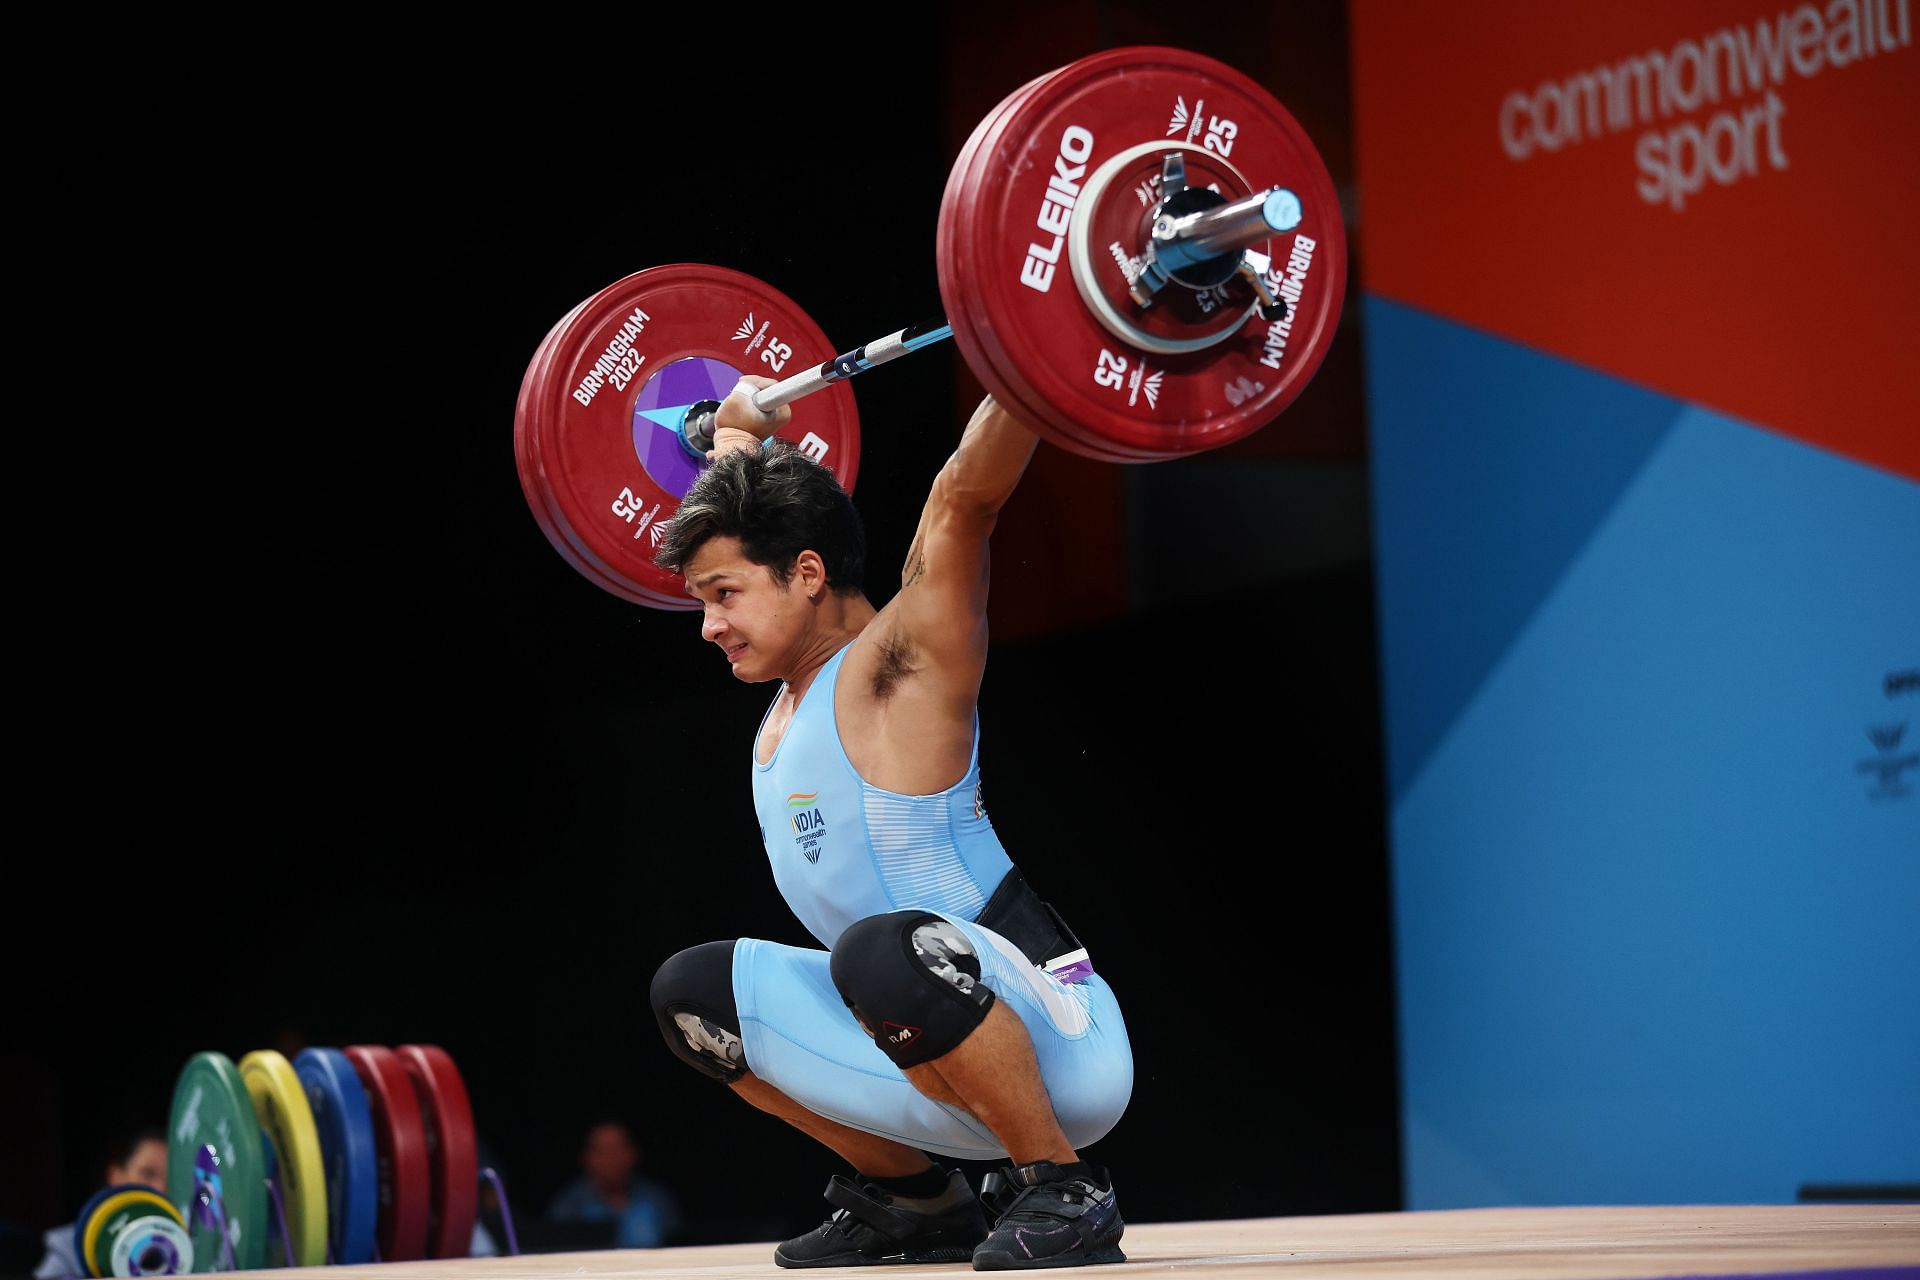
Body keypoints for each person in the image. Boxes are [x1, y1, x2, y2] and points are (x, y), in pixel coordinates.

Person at [649, 382, 1132, 1271]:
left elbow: (965, 498)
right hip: (911, 1032)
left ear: (806, 574)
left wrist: (1025, 363)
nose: (710, 625)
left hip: (1058, 1044)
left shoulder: (897, 668)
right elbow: (755, 522)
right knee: (694, 995)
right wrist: (736, 445)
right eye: (702, 601)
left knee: (875, 950)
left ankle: (1063, 1184)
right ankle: (921, 1203)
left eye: (722, 595)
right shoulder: (788, 702)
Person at [35, 1129, 167, 1280]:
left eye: (169, 1178)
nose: (160, 1188)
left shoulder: (189, 1243)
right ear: (115, 1175)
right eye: (147, 1174)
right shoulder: (69, 1244)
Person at [545, 1121, 682, 1249]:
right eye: (603, 1151)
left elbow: (677, 1243)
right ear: (587, 1157)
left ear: (632, 1154)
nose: (612, 1158)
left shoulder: (655, 1199)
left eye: (618, 1149)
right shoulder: (569, 1205)